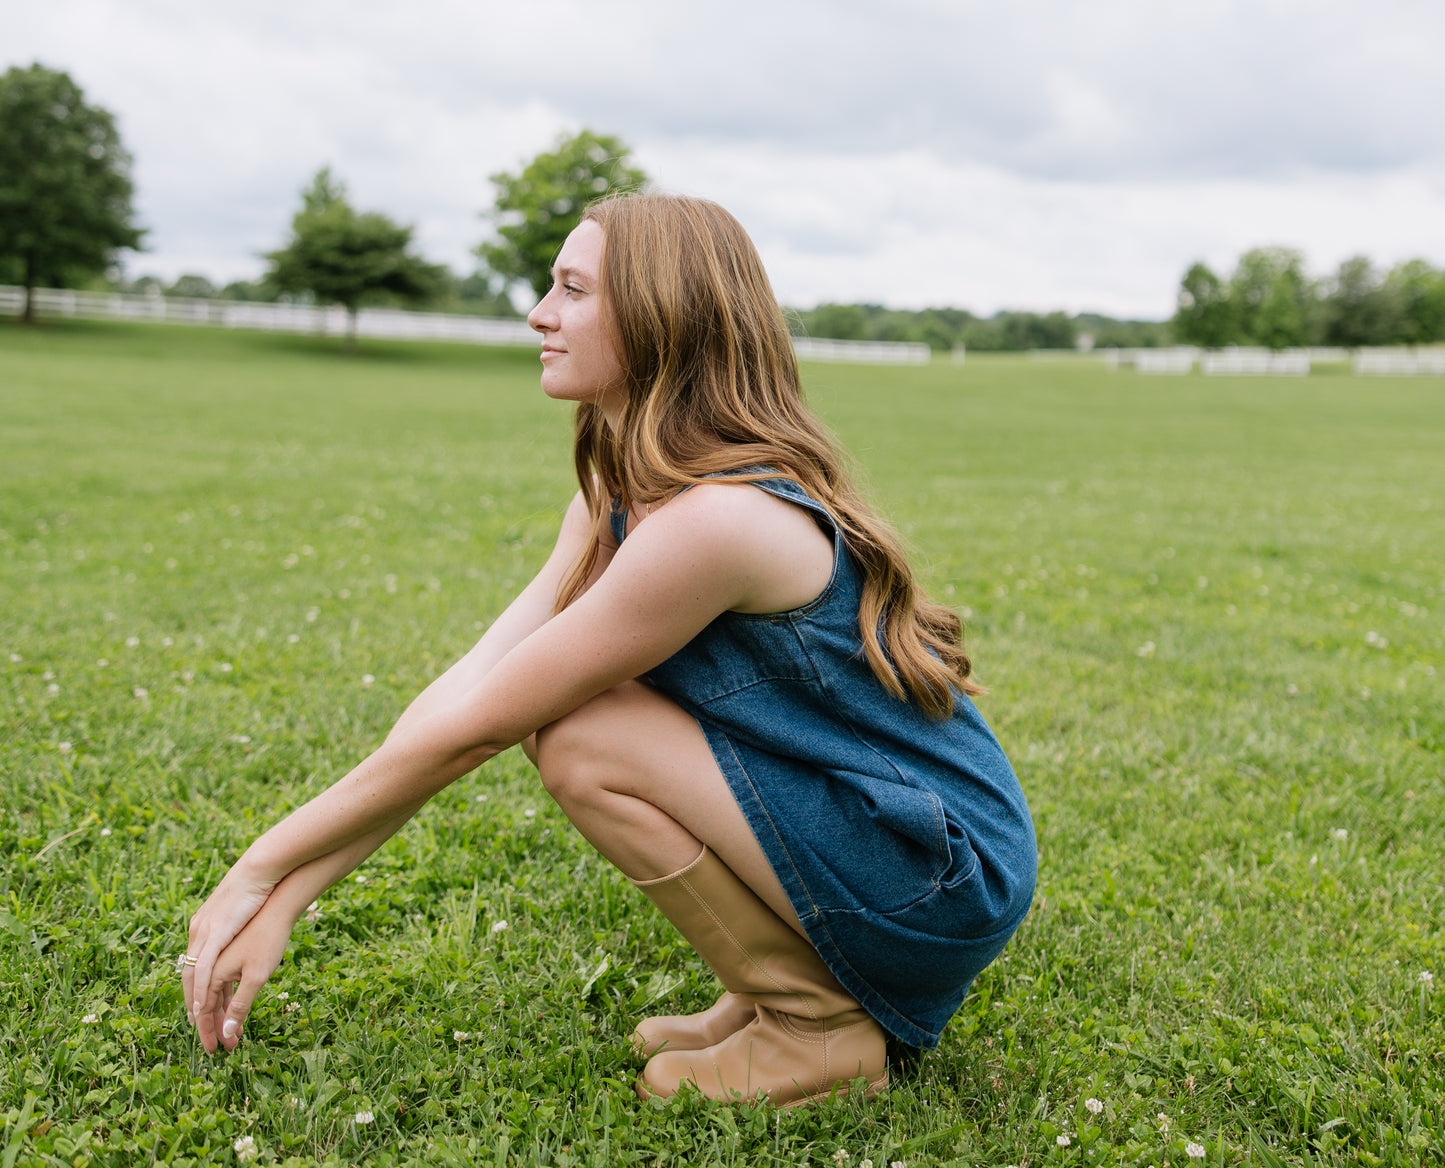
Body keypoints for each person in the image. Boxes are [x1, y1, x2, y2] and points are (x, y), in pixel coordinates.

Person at [180, 195, 1036, 1108]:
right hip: (884, 830)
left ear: (660, 314)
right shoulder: (621, 492)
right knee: (573, 716)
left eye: (571, 289)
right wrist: (281, 894)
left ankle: (817, 1027)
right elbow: (463, 695)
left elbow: (481, 729)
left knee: (582, 731)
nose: (538, 313)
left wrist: (260, 870)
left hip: (940, 868)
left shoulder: (717, 522)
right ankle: (783, 993)